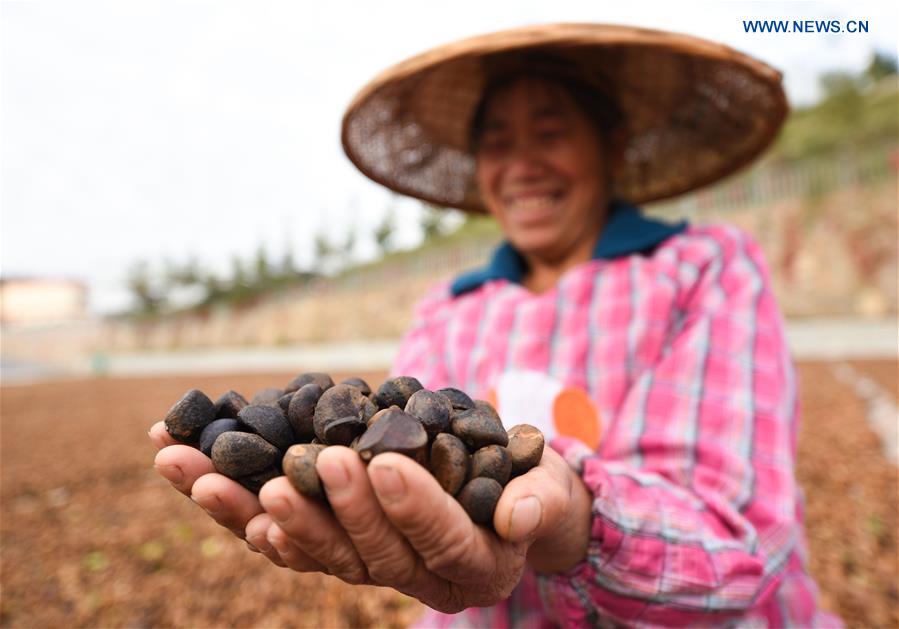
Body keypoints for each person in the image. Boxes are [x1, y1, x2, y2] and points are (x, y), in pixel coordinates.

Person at [150, 24, 841, 627]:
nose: (521, 164)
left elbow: (738, 537)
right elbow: (399, 453)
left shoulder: (702, 266)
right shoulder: (447, 305)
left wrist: (573, 517)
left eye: (550, 131)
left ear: (612, 143)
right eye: (495, 140)